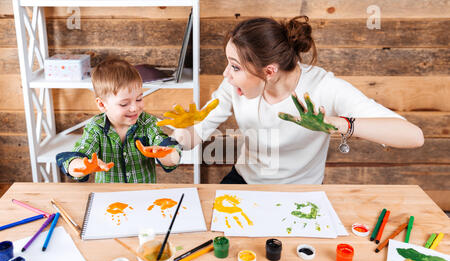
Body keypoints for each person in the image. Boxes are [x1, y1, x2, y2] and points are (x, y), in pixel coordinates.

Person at [166, 16, 424, 184]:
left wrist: (337, 124)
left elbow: (413, 136)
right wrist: (173, 143)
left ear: (269, 71)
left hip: (301, 192)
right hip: (243, 181)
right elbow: (196, 134)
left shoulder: (325, 88)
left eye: (234, 66)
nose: (225, 74)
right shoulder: (233, 84)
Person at [56, 58, 181, 183]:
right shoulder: (96, 127)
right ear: (102, 105)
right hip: (109, 196)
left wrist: (164, 154)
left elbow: (170, 156)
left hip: (143, 195)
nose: (134, 108)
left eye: (139, 99)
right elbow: (77, 156)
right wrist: (82, 166)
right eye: (124, 104)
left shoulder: (147, 123)